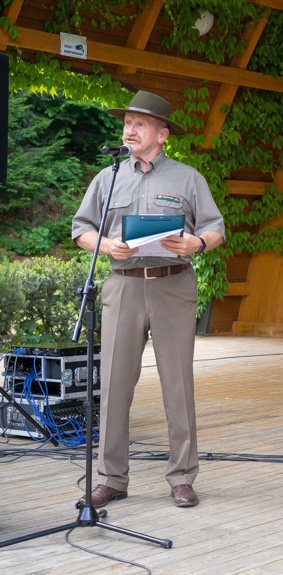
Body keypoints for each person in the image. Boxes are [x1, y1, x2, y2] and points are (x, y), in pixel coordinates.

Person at [72, 91, 224, 508]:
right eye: (127, 123)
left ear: (162, 134)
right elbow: (80, 227)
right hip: (122, 285)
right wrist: (106, 247)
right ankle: (111, 479)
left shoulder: (188, 177)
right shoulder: (108, 177)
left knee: (178, 384)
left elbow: (216, 228)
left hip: (173, 284)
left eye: (139, 124)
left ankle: (181, 477)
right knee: (114, 383)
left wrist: (196, 241)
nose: (129, 129)